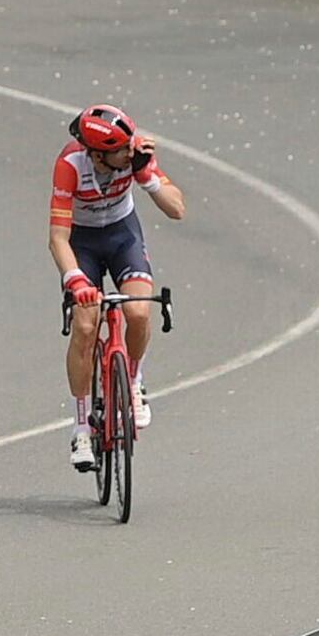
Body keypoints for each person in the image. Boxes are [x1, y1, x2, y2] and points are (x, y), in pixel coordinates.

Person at [53, 104, 187, 476]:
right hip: (82, 242)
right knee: (84, 325)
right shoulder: (70, 166)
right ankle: (81, 427)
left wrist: (149, 178)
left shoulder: (134, 156)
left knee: (139, 310)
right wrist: (74, 280)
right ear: (96, 154)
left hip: (120, 235)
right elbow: (58, 238)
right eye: (121, 150)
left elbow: (177, 210)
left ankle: (134, 381)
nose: (130, 152)